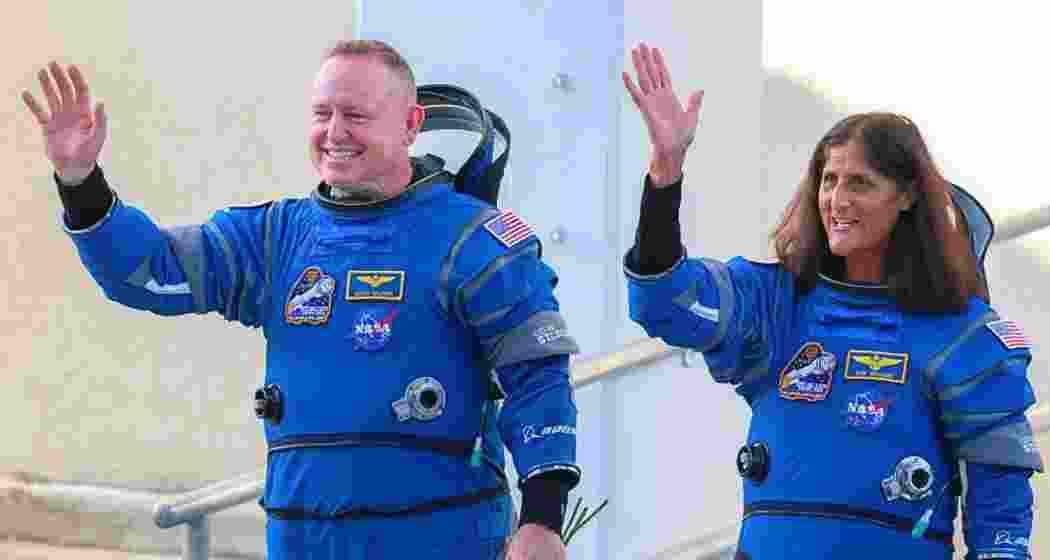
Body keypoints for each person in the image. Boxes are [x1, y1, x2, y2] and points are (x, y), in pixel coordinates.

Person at [22, 39, 580, 560]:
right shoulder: (275, 237)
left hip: (443, 538)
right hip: (302, 540)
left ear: (412, 125)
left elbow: (539, 381)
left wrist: (542, 520)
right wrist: (80, 180)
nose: (335, 132)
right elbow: (151, 272)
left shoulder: (476, 242)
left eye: (356, 115)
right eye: (322, 114)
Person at [621, 43, 1043, 560]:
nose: (837, 201)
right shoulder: (775, 304)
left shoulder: (962, 332)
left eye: (860, 184)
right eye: (828, 180)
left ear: (908, 195)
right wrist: (665, 176)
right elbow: (664, 300)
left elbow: (1001, 508)